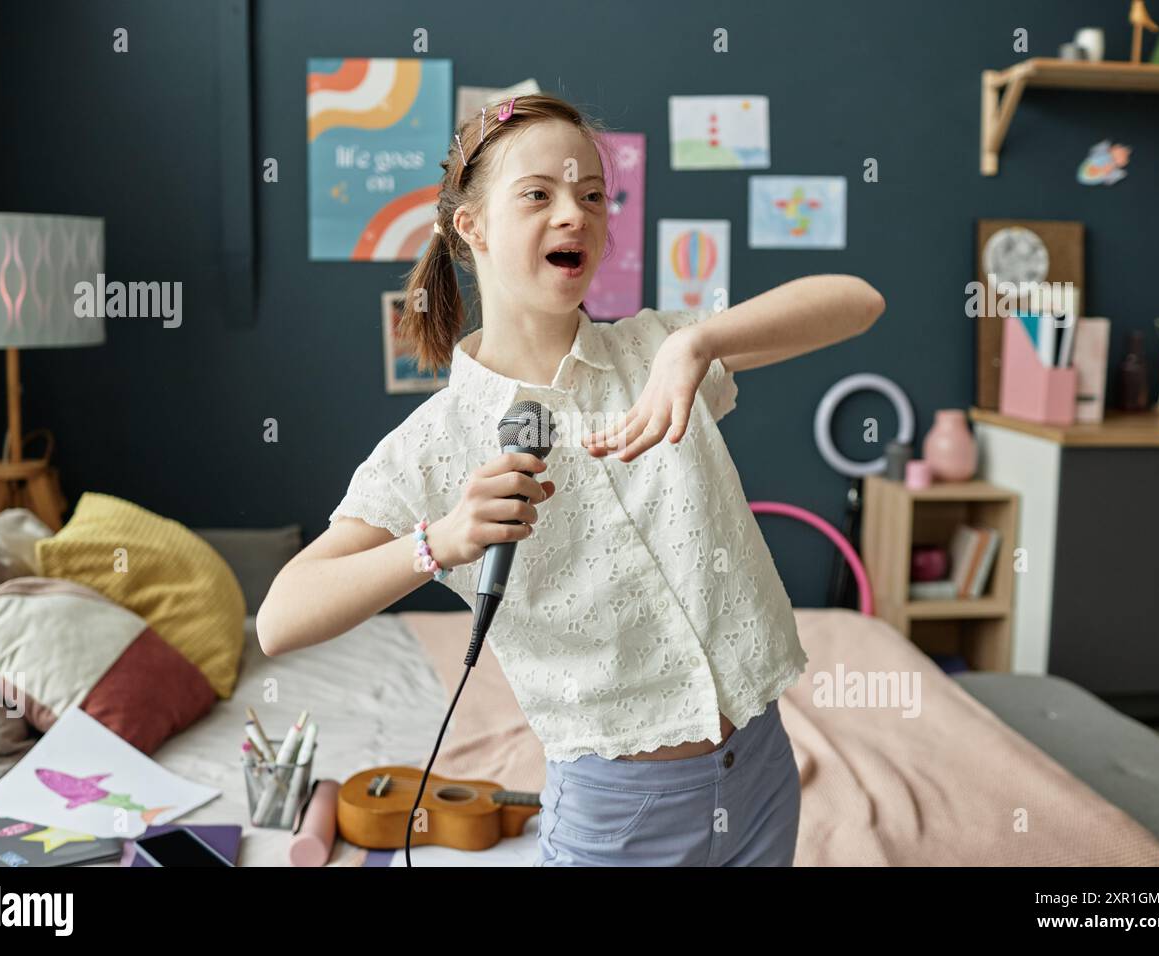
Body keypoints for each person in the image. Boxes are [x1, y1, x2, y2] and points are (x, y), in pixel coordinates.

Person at [256, 93, 885, 865]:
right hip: (619, 816)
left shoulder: (658, 351)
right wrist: (441, 540)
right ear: (473, 227)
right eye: (539, 195)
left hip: (760, 769)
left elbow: (858, 303)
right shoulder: (433, 445)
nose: (575, 214)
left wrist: (699, 343)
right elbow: (280, 619)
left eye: (593, 195)